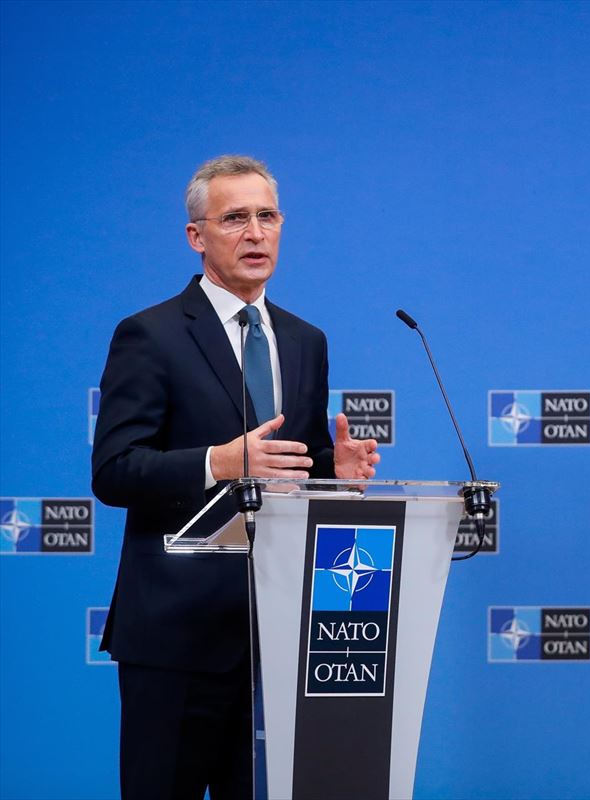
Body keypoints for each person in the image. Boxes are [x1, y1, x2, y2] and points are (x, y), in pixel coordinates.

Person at [91, 155, 380, 800]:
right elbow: (113, 471)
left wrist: (336, 472)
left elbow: (285, 467)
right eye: (235, 218)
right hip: (176, 634)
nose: (256, 233)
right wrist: (216, 462)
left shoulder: (306, 340)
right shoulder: (151, 334)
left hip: (279, 633)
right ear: (197, 236)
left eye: (267, 216)